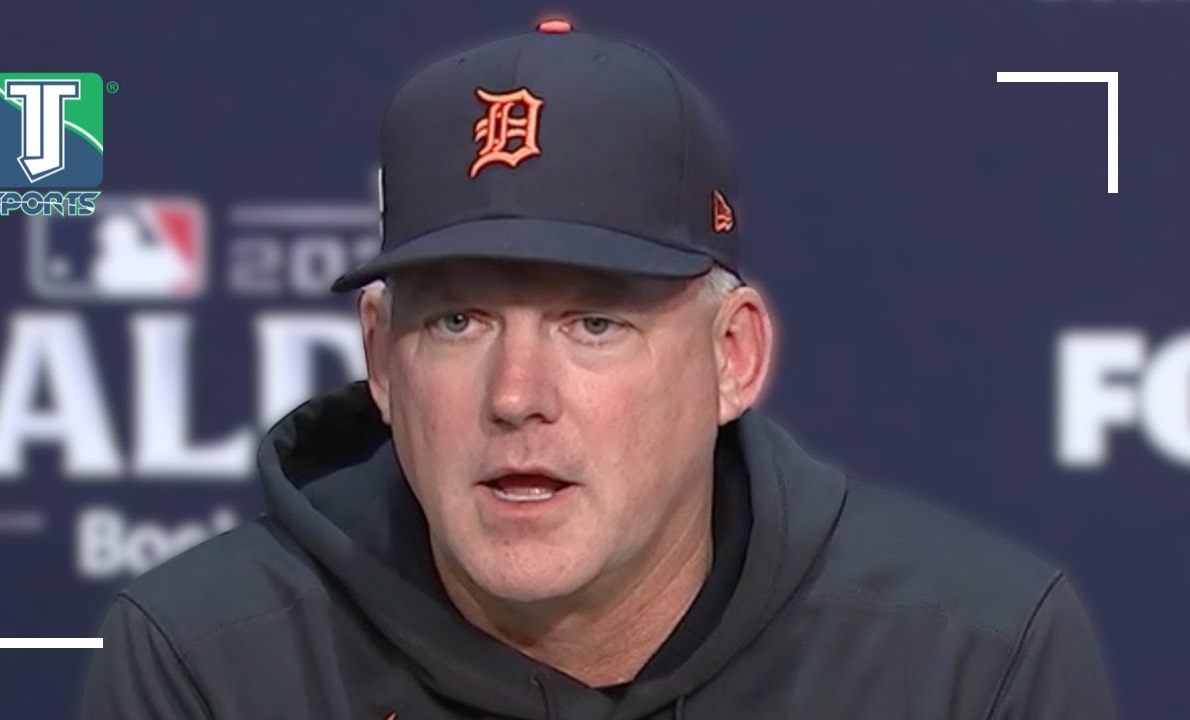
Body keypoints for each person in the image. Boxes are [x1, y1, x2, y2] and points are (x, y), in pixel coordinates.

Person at [81, 20, 1116, 719]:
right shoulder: (209, 661)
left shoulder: (970, 659)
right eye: (458, 322)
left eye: (592, 323)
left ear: (731, 357)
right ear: (381, 362)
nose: (515, 396)